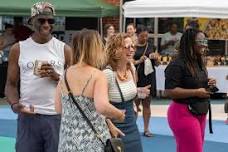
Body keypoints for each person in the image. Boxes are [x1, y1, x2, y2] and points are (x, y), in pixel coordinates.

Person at [4, 2, 72, 152]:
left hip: (56, 117)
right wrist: (16, 105)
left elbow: (75, 86)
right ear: (31, 21)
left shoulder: (64, 49)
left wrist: (57, 76)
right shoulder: (19, 48)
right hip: (28, 117)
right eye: (42, 20)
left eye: (51, 21)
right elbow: (10, 84)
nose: (47, 24)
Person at [55, 29, 125, 152]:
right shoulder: (97, 75)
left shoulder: (64, 75)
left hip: (67, 141)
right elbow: (102, 106)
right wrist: (119, 114)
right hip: (91, 143)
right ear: (95, 49)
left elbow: (58, 108)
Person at [165, 28, 216, 152]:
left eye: (205, 40)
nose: (203, 44)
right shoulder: (177, 64)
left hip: (200, 112)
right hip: (183, 113)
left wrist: (207, 81)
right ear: (190, 43)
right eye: (200, 41)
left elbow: (192, 80)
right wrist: (196, 92)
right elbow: (170, 91)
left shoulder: (198, 62)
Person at [104, 33, 151, 152]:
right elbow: (98, 106)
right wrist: (109, 125)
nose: (132, 50)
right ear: (116, 50)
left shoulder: (131, 68)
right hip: (114, 127)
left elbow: (130, 95)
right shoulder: (107, 74)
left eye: (133, 46)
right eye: (127, 47)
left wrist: (139, 92)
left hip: (131, 124)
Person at [133, 25, 159, 137]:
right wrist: (139, 60)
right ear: (137, 35)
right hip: (137, 78)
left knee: (147, 104)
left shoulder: (152, 46)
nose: (144, 38)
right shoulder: (132, 47)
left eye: (146, 36)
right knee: (135, 104)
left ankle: (146, 129)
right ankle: (133, 128)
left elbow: (157, 64)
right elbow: (129, 62)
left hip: (149, 77)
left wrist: (156, 58)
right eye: (142, 36)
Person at [0, 23, 16, 98]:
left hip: (13, 56)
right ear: (6, 30)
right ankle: (2, 92)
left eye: (11, 30)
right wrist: (9, 44)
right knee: (4, 74)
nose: (10, 32)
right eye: (9, 30)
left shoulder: (14, 36)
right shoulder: (2, 37)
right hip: (4, 57)